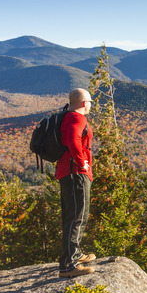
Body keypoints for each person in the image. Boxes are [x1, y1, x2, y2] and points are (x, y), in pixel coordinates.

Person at [56, 88, 96, 278]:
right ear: (83, 103)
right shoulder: (77, 118)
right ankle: (68, 265)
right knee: (78, 216)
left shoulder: (66, 116)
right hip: (75, 174)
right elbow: (73, 140)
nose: (90, 105)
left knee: (71, 216)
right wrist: (82, 162)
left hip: (67, 172)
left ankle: (75, 254)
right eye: (90, 102)